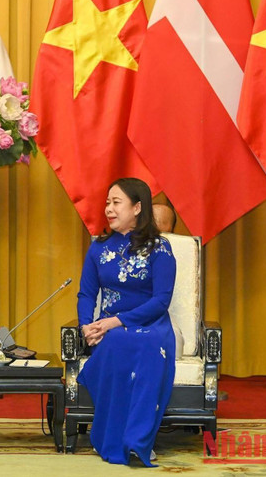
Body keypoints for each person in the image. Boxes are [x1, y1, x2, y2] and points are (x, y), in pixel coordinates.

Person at [76, 178, 177, 467]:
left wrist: (115, 322)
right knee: (117, 340)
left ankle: (137, 440)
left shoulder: (159, 248)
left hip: (152, 325)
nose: (109, 208)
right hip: (108, 329)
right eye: (107, 202)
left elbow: (161, 301)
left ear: (137, 208)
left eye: (116, 202)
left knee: (141, 342)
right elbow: (87, 294)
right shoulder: (98, 249)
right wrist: (86, 326)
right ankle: (115, 438)